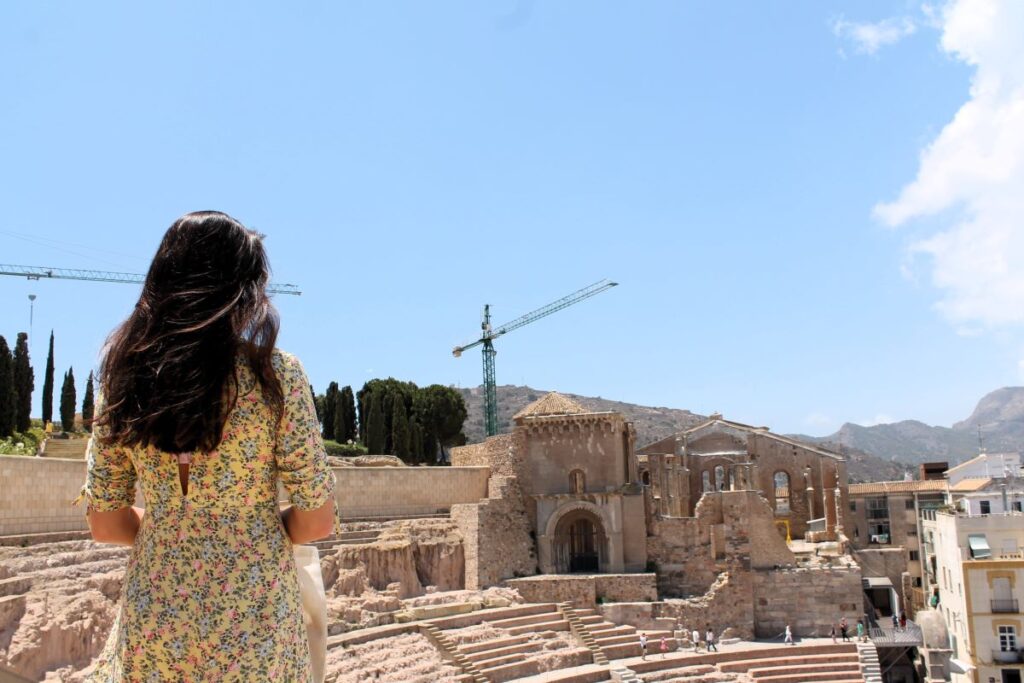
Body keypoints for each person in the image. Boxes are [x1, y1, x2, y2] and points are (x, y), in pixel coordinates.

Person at [80, 212, 337, 681]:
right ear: (244, 288)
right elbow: (317, 520)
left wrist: (177, 524)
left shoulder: (122, 380)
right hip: (256, 629)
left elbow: (105, 522)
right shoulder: (277, 377)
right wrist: (249, 523)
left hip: (154, 627)